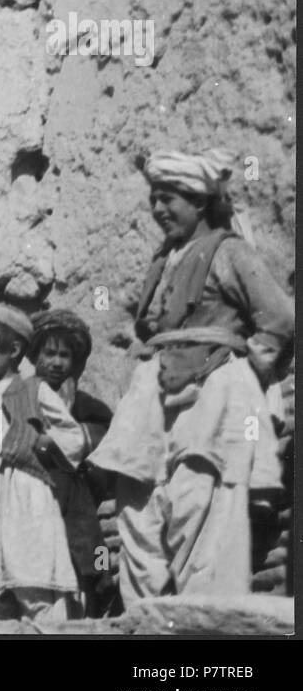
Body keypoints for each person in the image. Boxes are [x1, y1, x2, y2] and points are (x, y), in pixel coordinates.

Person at [89, 148, 293, 602]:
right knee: (139, 505)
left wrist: (245, 372)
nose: (159, 210)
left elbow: (279, 318)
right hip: (153, 395)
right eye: (154, 199)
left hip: (213, 392)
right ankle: (146, 618)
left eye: (170, 199)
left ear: (199, 201)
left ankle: (203, 625)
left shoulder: (230, 251)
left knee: (200, 502)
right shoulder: (164, 260)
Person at [0, 304, 83, 622]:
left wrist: (43, 441)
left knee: (30, 577)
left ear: (14, 349)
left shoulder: (33, 389)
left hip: (22, 493)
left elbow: (72, 436)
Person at [29, 308, 114, 616]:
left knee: (91, 535)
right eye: (49, 353)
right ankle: (99, 580)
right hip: (31, 494)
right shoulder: (20, 398)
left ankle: (101, 578)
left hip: (78, 494)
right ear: (33, 355)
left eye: (65, 356)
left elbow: (103, 444)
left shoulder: (88, 407)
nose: (56, 362)